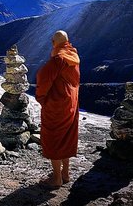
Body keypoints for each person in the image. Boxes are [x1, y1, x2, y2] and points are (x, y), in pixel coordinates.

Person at [35, 30, 80, 188]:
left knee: (54, 138)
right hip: (71, 103)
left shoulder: (58, 59)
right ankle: (65, 174)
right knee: (66, 137)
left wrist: (42, 99)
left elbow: (43, 77)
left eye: (52, 41)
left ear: (54, 43)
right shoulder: (72, 55)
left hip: (57, 105)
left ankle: (56, 179)